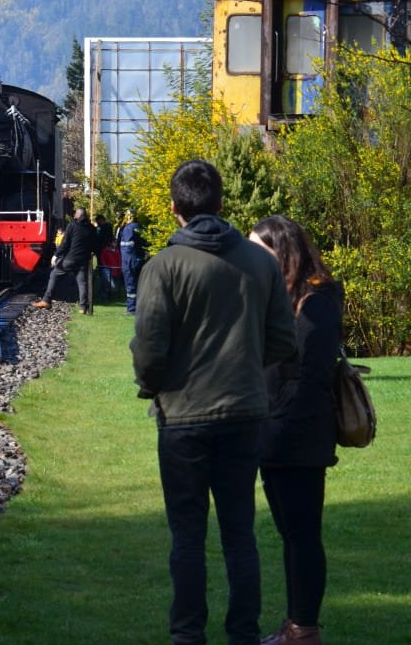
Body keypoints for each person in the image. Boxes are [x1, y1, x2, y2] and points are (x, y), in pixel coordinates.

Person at [130, 160, 296, 645]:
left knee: (187, 536)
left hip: (182, 416)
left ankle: (188, 635)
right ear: (221, 204)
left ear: (174, 208)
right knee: (239, 533)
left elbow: (150, 349)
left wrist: (154, 384)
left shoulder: (163, 267)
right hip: (245, 413)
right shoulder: (261, 263)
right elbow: (283, 340)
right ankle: (243, 634)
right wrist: (244, 364)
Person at [249, 216, 342, 645]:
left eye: (258, 249)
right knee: (291, 534)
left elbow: (311, 375)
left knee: (302, 535)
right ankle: (296, 624)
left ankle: (304, 628)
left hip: (297, 436)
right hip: (275, 432)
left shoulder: (316, 300)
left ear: (281, 251)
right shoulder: (280, 295)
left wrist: (280, 427)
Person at [32, 207, 97, 313]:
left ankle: (46, 300)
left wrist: (56, 255)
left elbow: (65, 243)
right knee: (82, 283)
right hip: (83, 259)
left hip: (71, 258)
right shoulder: (91, 228)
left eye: (75, 213)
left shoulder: (72, 226)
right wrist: (92, 252)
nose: (74, 215)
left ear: (79, 215)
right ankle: (83, 307)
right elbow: (94, 244)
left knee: (54, 275)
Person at [117, 208, 145, 314]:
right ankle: (137, 307)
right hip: (136, 260)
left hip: (128, 261)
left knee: (130, 286)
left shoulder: (126, 229)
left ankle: (132, 309)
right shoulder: (138, 227)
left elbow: (121, 245)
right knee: (137, 284)